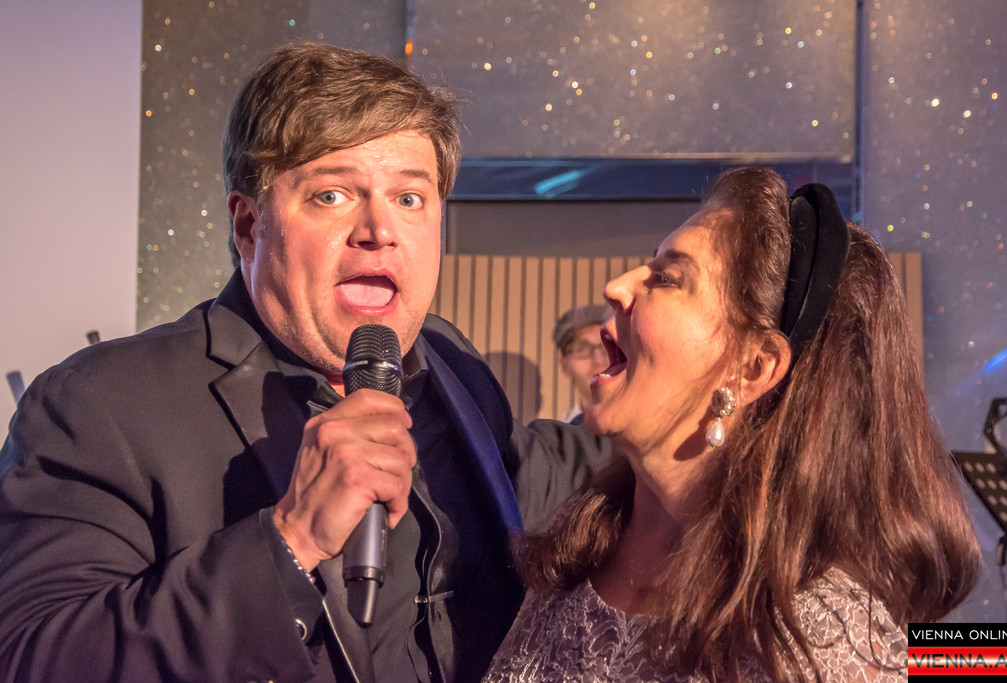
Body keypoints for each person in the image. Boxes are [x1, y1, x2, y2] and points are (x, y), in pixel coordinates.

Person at [0, 43, 609, 683]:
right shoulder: (99, 404)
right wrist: (291, 541)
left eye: (410, 198)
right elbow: (31, 658)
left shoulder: (451, 363)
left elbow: (554, 473)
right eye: (331, 195)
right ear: (248, 226)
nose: (379, 230)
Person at [484, 167, 981, 682]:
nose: (616, 287)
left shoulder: (820, 642)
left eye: (667, 278)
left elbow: (984, 663)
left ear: (754, 367)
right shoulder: (578, 546)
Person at [552, 304, 611, 424]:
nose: (598, 360)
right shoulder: (555, 434)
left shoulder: (649, 428)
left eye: (608, 347)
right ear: (565, 365)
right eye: (582, 350)